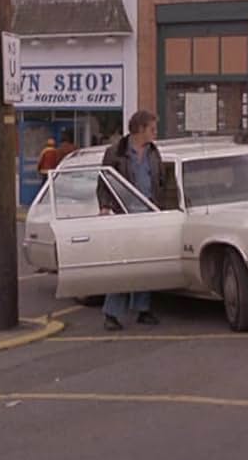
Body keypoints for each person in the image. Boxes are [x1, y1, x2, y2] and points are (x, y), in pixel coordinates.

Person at [96, 110, 163, 331]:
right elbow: (104, 182)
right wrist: (105, 207)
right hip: (124, 214)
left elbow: (161, 181)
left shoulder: (154, 152)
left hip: (148, 212)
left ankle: (143, 309)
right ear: (140, 129)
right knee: (123, 266)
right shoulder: (116, 152)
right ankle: (112, 313)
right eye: (152, 129)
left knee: (145, 265)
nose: (155, 133)